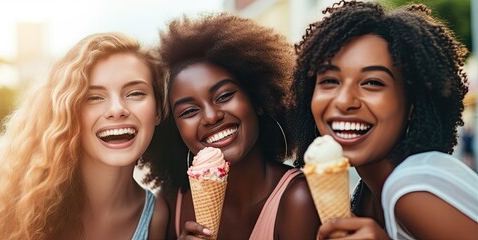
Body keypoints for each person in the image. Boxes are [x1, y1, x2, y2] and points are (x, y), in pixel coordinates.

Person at [291, 1, 478, 239]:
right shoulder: (368, 191)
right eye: (330, 81)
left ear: (412, 104)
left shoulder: (411, 189)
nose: (344, 100)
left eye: (372, 82)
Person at [0, 32, 169, 240]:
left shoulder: (157, 217)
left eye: (135, 93)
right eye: (94, 97)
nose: (117, 109)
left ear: (158, 111)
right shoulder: (23, 206)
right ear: (67, 112)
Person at [141, 13, 321, 240]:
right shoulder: (168, 203)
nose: (211, 116)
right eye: (189, 111)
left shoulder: (298, 199)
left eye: (224, 96)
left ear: (257, 101)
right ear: (174, 128)